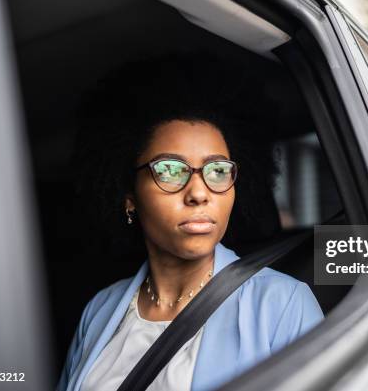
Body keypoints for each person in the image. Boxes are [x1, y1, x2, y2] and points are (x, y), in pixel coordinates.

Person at [56, 55, 324, 391]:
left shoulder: (281, 304)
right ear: (129, 196)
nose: (198, 192)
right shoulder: (99, 309)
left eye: (218, 171)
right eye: (169, 170)